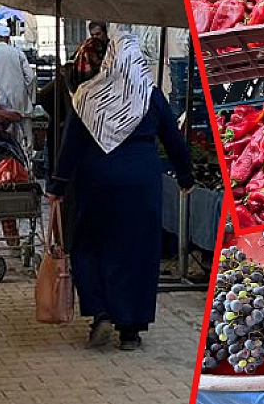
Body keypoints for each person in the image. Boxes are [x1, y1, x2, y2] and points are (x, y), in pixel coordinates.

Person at [45, 33, 193, 352]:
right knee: (136, 251)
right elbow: (173, 139)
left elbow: (70, 145)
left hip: (96, 179)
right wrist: (185, 176)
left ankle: (100, 312)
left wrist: (56, 185)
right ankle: (130, 329)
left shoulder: (87, 94)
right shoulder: (149, 95)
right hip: (141, 181)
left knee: (90, 245)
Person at [0, 22, 36, 151]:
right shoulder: (18, 53)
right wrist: (30, 99)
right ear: (7, 38)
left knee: (3, 140)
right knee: (25, 142)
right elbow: (31, 77)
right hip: (21, 104)